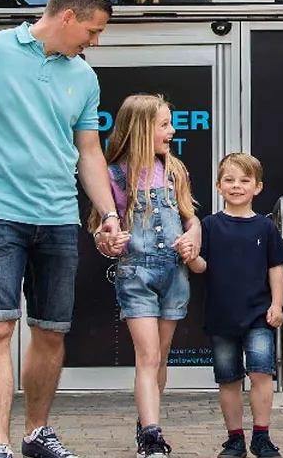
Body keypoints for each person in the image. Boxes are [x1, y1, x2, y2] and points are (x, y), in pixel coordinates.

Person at [0, 0, 176, 458]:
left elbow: (90, 153)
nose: (95, 42)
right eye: (93, 31)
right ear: (68, 17)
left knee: (51, 331)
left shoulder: (85, 77)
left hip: (57, 217)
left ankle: (36, 432)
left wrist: (109, 214)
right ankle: (0, 445)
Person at [92, 93, 200, 458]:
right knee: (148, 356)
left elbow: (190, 217)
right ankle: (151, 436)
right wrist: (109, 241)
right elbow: (100, 230)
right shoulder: (114, 174)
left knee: (162, 356)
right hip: (136, 274)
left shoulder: (175, 169)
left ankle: (147, 418)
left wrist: (192, 236)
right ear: (141, 129)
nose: (172, 130)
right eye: (164, 124)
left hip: (174, 273)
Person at [193, 153, 283, 458]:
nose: (237, 186)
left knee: (261, 373)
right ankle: (235, 439)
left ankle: (261, 436)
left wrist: (277, 304)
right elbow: (200, 266)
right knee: (228, 379)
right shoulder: (208, 225)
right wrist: (190, 256)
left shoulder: (266, 228)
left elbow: (277, 268)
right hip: (221, 316)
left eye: (245, 180)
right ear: (219, 186)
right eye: (230, 180)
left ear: (257, 187)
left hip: (259, 315)